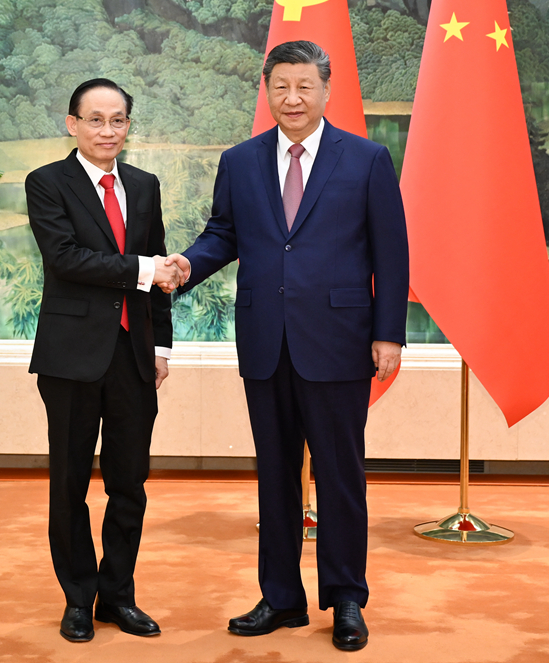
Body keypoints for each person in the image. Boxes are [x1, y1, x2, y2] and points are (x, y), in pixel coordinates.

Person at [166, 40, 409, 652]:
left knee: (339, 475)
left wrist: (388, 333)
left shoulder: (368, 159)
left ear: (326, 90)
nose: (292, 98)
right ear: (267, 90)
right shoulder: (241, 161)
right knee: (274, 476)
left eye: (304, 86)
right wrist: (184, 267)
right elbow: (223, 234)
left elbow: (392, 253)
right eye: (281, 86)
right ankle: (280, 598)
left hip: (340, 341)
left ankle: (347, 599)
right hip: (265, 342)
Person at [25, 78, 184, 643]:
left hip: (134, 357)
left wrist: (161, 344)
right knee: (69, 483)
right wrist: (143, 269)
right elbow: (66, 258)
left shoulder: (144, 185)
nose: (107, 131)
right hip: (70, 359)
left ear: (128, 127)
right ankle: (77, 597)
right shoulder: (47, 183)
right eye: (96, 120)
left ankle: (118, 596)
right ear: (72, 124)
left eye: (118, 121)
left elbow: (161, 274)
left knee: (129, 483)